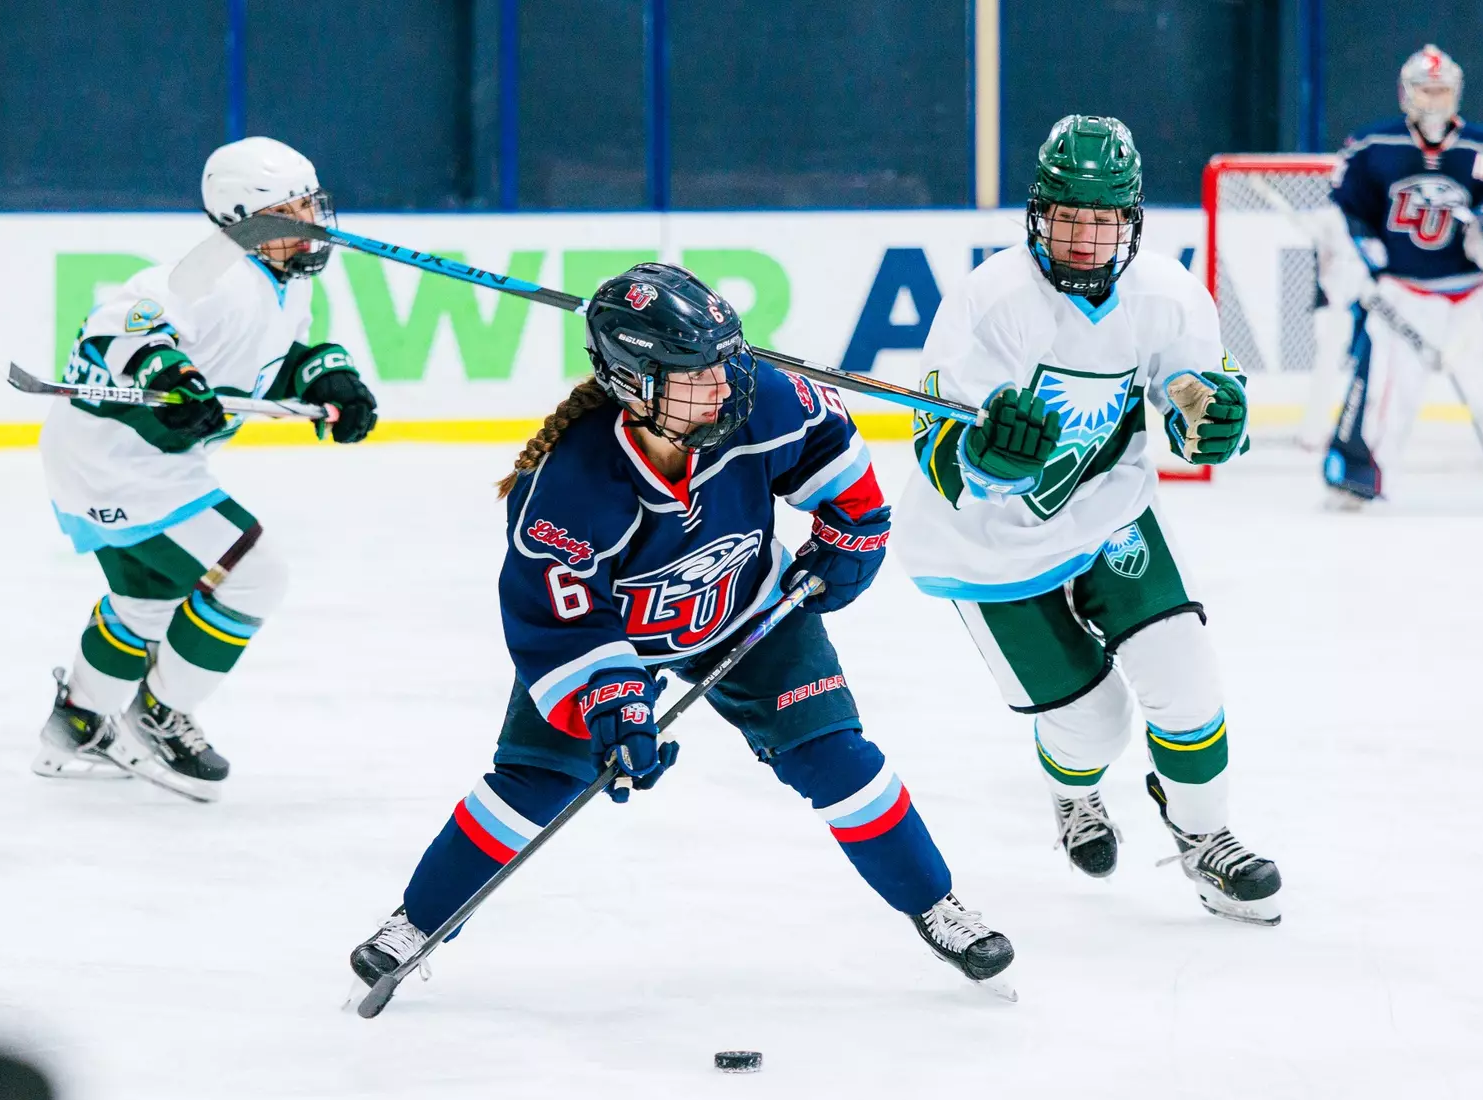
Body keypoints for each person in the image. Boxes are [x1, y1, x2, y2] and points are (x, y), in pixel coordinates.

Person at [349, 263, 1015, 997]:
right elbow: (562, 623)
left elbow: (833, 452)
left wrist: (853, 534)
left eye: (726, 362)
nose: (724, 386)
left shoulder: (764, 397)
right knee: (535, 782)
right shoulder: (572, 487)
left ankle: (935, 905)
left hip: (748, 607)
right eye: (697, 374)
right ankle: (416, 924)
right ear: (636, 385)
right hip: (620, 642)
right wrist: (615, 704)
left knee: (837, 757)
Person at [896, 115, 1281, 926]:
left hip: (1109, 510)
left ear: (1131, 220)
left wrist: (1215, 421)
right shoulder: (990, 299)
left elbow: (1195, 394)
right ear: (1039, 213)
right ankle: (1073, 792)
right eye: (1068, 215)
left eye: (1103, 218)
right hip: (986, 543)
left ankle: (1205, 837)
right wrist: (981, 458)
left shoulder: (1169, 294)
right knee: (1095, 724)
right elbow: (933, 433)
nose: (1083, 236)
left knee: (1185, 678)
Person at [33, 136, 379, 801]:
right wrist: (170, 374)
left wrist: (326, 375)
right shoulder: (204, 277)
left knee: (146, 603)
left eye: (311, 206)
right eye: (293, 211)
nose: (311, 223)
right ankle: (157, 718)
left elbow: (268, 358)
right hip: (121, 467)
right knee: (256, 573)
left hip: (132, 464)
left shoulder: (278, 277)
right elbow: (114, 329)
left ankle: (75, 725)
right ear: (243, 218)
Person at [1320, 44, 1483, 507]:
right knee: (1382, 390)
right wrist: (1359, 256)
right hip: (1402, 294)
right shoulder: (1371, 147)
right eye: (1426, 90)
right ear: (1406, 94)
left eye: (1443, 91)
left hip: (1473, 300)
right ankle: (1357, 475)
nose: (1435, 100)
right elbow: (1344, 215)